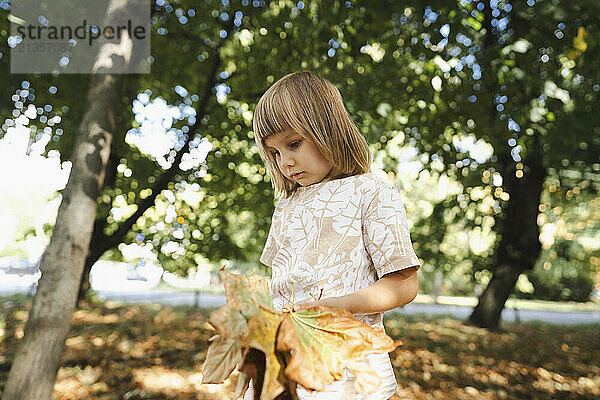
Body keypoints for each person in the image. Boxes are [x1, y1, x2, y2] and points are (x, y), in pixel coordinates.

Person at [248, 71, 420, 400]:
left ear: (327, 128)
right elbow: (282, 290)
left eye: (293, 143)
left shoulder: (370, 190)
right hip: (287, 361)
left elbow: (404, 283)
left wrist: (338, 306)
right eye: (275, 153)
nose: (285, 162)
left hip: (346, 362)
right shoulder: (287, 204)